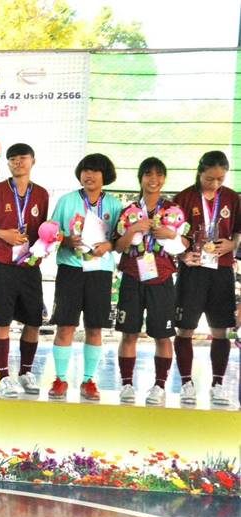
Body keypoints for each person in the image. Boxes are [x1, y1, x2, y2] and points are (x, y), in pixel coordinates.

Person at [0, 144, 49, 397]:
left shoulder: (41, 194)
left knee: (33, 321)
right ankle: (4, 375)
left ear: (33, 161)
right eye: (13, 159)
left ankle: (26, 372)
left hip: (29, 266)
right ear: (7, 164)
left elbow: (43, 230)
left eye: (22, 158)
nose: (18, 163)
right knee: (0, 322)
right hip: (2, 265)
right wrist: (3, 234)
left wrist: (50, 242)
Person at [49, 153, 122, 401]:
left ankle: (89, 380)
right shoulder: (67, 201)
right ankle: (60, 378)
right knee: (65, 326)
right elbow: (51, 233)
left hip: (100, 271)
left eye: (95, 171)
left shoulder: (114, 204)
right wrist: (66, 240)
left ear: (105, 176)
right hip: (70, 269)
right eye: (85, 170)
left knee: (95, 327)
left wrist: (109, 245)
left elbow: (120, 239)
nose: (89, 175)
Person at [173, 151, 241, 406]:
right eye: (210, 178)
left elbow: (238, 232)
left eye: (220, 179)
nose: (215, 183)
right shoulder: (183, 198)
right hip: (193, 270)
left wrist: (232, 245)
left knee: (221, 330)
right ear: (200, 172)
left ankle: (218, 384)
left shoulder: (232, 198)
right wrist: (183, 255)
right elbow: (172, 237)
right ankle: (186, 383)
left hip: (221, 270)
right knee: (185, 328)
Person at [114, 158, 180, 406]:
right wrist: (134, 230)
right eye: (148, 174)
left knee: (163, 335)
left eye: (159, 174)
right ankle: (126, 384)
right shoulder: (129, 211)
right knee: (129, 333)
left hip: (161, 277)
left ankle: (160, 386)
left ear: (164, 178)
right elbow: (118, 246)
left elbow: (183, 244)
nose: (154, 179)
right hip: (133, 275)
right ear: (140, 178)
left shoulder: (173, 210)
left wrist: (170, 234)